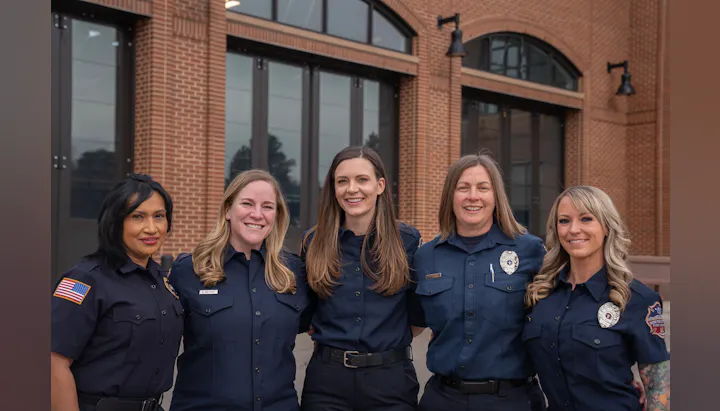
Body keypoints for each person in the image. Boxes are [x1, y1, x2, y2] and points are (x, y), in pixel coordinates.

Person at [411, 153, 548, 411]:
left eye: (483, 188)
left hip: (512, 400)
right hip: (444, 399)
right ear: (450, 196)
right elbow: (411, 321)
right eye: (463, 188)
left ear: (496, 196)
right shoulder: (426, 256)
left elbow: (560, 318)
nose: (473, 196)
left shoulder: (531, 251)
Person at [168, 169, 310, 411]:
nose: (257, 214)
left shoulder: (295, 273)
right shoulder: (189, 270)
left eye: (267, 206)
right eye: (246, 203)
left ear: (277, 215)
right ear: (227, 210)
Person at [523, 186, 670, 411]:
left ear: (606, 227)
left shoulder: (637, 300)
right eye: (564, 221)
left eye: (586, 219)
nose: (574, 229)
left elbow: (659, 391)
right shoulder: (541, 296)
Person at [300, 146, 424, 411]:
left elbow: (418, 315)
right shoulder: (313, 242)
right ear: (333, 188)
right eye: (342, 181)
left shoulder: (408, 241)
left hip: (390, 382)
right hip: (327, 384)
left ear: (380, 186)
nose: (351, 189)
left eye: (362, 180)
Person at [51, 174, 182, 411]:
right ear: (115, 222)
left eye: (159, 217)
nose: (151, 228)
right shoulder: (85, 279)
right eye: (137, 217)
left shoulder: (163, 280)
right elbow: (54, 363)